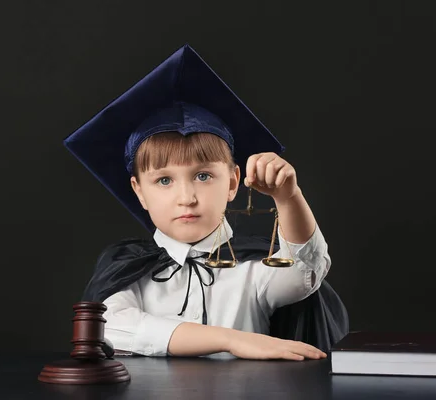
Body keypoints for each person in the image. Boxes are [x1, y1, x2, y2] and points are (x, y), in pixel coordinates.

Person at [64, 45, 348, 361]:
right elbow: (110, 327)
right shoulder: (127, 270)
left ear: (232, 182)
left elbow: (304, 272)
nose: (187, 198)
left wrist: (289, 197)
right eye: (164, 180)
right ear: (139, 191)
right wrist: (231, 340)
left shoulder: (253, 272)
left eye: (202, 176)